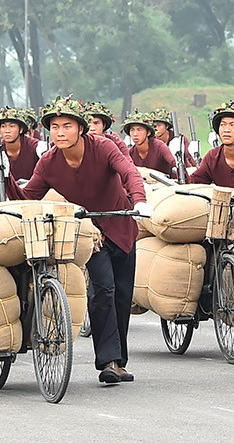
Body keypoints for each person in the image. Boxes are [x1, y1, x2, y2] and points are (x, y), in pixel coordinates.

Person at [17, 97, 148, 386]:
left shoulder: (103, 147)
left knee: (123, 295)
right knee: (103, 290)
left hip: (122, 225)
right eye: (54, 127)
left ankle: (119, 361)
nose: (60, 132)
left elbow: (129, 172)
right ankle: (109, 362)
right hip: (89, 234)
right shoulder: (49, 162)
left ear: (81, 129)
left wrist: (139, 201)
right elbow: (26, 198)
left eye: (67, 126)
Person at [0, 107, 42, 196]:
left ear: (21, 129)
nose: (7, 131)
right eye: (3, 126)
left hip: (33, 196)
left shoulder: (34, 146)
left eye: (12, 126)